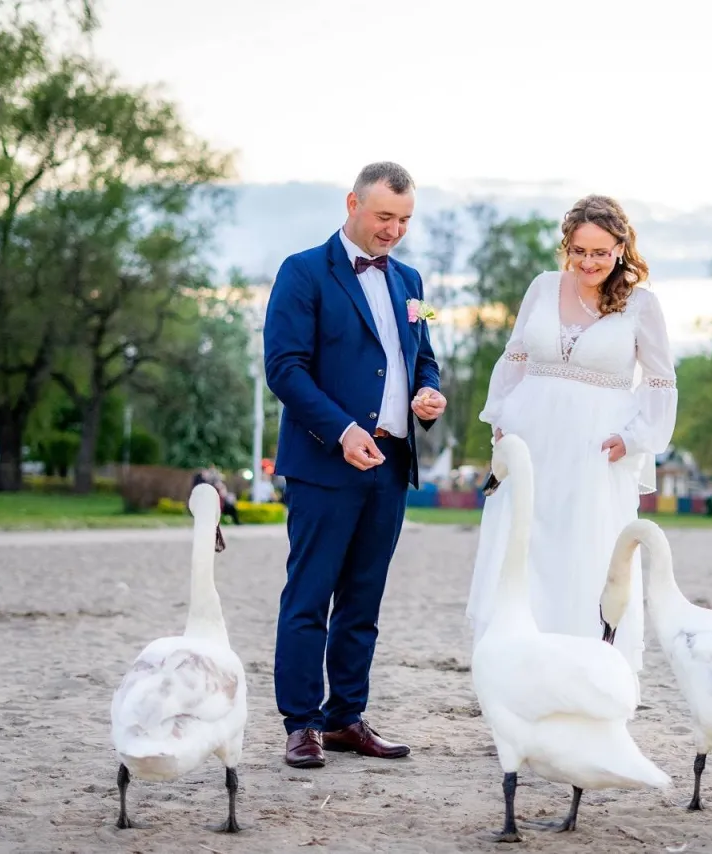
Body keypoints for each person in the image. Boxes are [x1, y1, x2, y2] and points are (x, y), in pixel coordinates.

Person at [264, 162, 445, 770]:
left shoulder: (410, 279)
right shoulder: (304, 272)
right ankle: (302, 724)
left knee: (364, 601)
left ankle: (346, 718)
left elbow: (423, 360)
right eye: (384, 216)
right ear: (352, 203)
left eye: (404, 219)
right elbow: (285, 368)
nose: (394, 230)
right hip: (324, 464)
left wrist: (428, 395)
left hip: (392, 465)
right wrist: (341, 431)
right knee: (310, 596)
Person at [465, 194, 678, 685]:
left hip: (594, 451)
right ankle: (517, 677)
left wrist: (637, 437)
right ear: (567, 247)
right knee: (525, 547)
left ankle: (583, 680)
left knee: (585, 553)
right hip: (531, 442)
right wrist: (501, 418)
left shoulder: (642, 305)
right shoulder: (542, 287)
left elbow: (661, 379)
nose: (589, 262)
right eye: (579, 251)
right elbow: (515, 356)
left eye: (601, 252)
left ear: (621, 248)